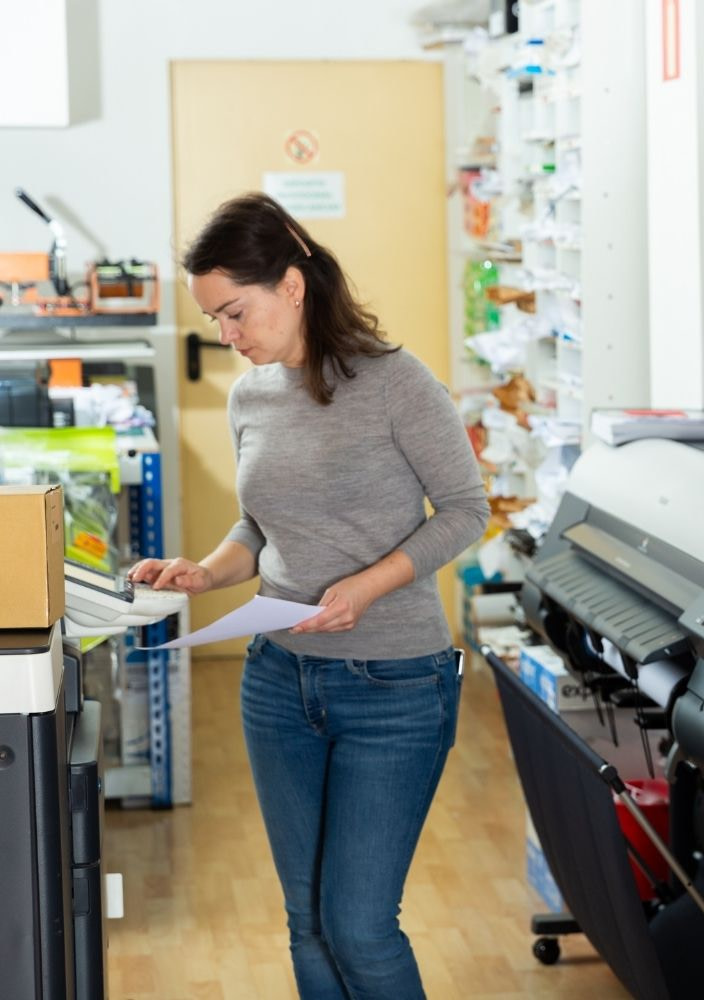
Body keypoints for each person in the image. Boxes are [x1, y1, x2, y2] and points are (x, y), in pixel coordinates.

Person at [128, 193, 488, 998]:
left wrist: (370, 583)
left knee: (359, 926)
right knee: (308, 922)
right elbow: (261, 524)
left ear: (291, 286)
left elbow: (467, 511)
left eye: (234, 312)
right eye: (215, 320)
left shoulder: (396, 384)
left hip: (394, 685)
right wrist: (205, 571)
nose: (227, 336)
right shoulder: (250, 396)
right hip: (278, 681)